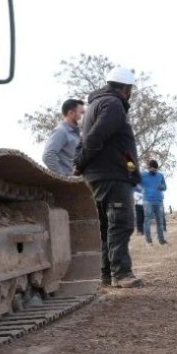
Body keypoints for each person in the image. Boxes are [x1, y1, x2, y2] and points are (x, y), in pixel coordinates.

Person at [74, 66, 143, 288]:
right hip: (111, 176)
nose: (130, 93)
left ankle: (105, 275)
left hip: (100, 176)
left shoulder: (95, 105)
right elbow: (95, 138)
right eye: (130, 89)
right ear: (125, 88)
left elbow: (122, 149)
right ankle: (121, 274)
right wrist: (80, 162)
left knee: (105, 226)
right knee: (121, 223)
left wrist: (132, 170)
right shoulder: (113, 105)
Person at [42, 99, 83, 176]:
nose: (84, 116)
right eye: (82, 113)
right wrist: (64, 178)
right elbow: (48, 155)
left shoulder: (77, 133)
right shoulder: (61, 131)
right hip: (71, 183)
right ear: (71, 113)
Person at [140, 159, 168, 245]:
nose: (154, 171)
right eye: (153, 169)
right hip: (147, 201)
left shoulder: (160, 175)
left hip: (159, 201)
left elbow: (165, 187)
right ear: (149, 168)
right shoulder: (143, 175)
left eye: (156, 169)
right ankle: (149, 240)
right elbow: (136, 184)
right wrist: (141, 190)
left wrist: (161, 187)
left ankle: (161, 240)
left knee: (160, 221)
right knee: (147, 220)